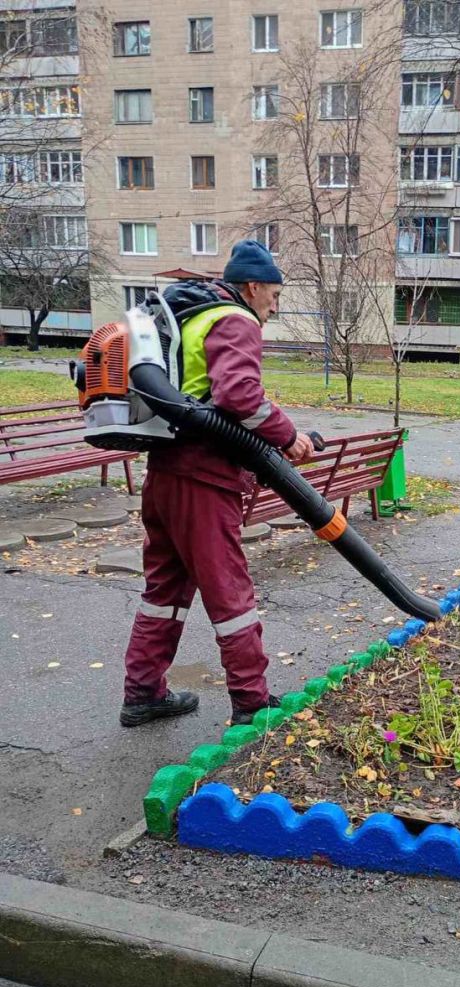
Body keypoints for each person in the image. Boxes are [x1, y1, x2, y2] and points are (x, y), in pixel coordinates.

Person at [120, 240, 314, 729]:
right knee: (230, 593)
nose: (274, 307)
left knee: (163, 591)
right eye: (274, 295)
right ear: (253, 286)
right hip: (205, 479)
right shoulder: (235, 317)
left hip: (166, 472)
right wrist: (288, 437)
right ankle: (252, 702)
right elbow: (240, 396)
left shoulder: (191, 317)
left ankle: (142, 693)